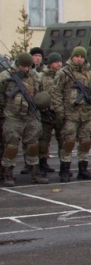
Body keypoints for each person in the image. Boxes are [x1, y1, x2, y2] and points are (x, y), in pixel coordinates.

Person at [52, 46, 91, 182]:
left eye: (81, 57)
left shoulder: (90, 75)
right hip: (70, 114)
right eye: (76, 56)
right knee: (69, 142)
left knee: (85, 142)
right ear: (72, 57)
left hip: (86, 114)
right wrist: (60, 111)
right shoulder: (64, 73)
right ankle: (65, 170)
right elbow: (56, 93)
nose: (79, 59)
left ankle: (83, 169)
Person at [0, 52, 48, 186]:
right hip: (13, 116)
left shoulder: (35, 76)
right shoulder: (5, 76)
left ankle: (35, 172)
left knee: (33, 145)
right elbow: (1, 97)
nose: (26, 69)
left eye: (28, 66)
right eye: (23, 66)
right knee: (11, 146)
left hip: (31, 115)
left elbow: (41, 94)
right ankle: (8, 174)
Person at [38, 52, 64, 174]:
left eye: (60, 62)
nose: (59, 64)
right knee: (44, 140)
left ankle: (64, 165)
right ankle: (42, 165)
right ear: (50, 63)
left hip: (60, 112)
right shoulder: (41, 76)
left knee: (63, 140)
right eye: (56, 62)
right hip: (46, 113)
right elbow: (37, 93)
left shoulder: (64, 75)